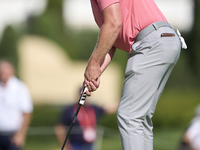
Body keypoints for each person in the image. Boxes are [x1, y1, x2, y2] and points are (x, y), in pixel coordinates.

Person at [83, 0, 187, 149]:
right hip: (166, 40)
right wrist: (94, 73)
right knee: (140, 118)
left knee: (129, 115)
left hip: (151, 42)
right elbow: (112, 40)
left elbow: (113, 24)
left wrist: (92, 65)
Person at [0, 59, 33, 150]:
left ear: (12, 71)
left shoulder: (20, 88)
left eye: (5, 69)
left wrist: (21, 134)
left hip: (13, 135)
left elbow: (26, 113)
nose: (2, 72)